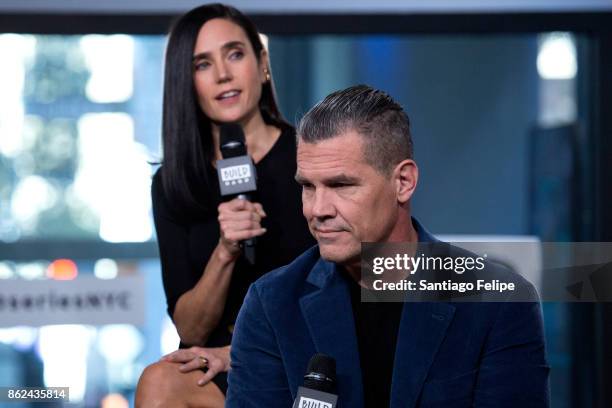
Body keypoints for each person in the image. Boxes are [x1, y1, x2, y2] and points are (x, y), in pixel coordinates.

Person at [226, 85, 550, 407]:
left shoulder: (499, 304)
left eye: (341, 185)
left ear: (403, 182)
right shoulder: (272, 305)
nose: (317, 209)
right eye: (308, 187)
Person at [135, 4, 314, 407]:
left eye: (235, 54)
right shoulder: (173, 183)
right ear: (187, 81)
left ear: (262, 63)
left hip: (304, 360)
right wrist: (225, 249)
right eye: (202, 64)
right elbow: (191, 329)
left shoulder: (312, 158)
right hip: (216, 370)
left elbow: (353, 289)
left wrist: (241, 353)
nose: (222, 75)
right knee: (160, 381)